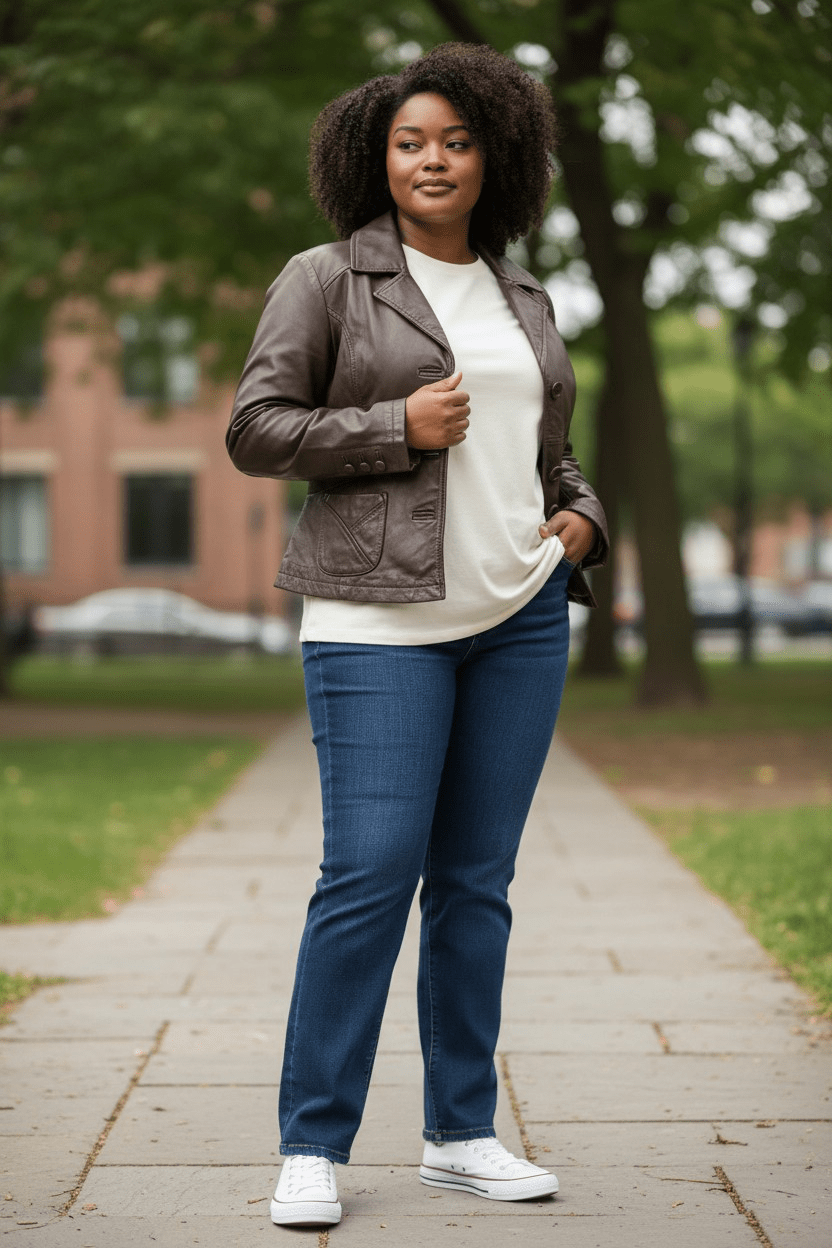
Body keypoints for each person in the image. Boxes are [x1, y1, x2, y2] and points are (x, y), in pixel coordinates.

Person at [227, 42, 608, 1228]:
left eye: (453, 140)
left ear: (496, 156)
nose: (432, 159)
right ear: (374, 160)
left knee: (475, 886)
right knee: (368, 876)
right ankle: (311, 1142)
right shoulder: (326, 279)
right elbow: (255, 427)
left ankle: (460, 1132)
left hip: (520, 617)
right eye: (409, 142)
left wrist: (584, 522)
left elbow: (552, 458)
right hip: (376, 622)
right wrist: (396, 422)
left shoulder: (524, 296)